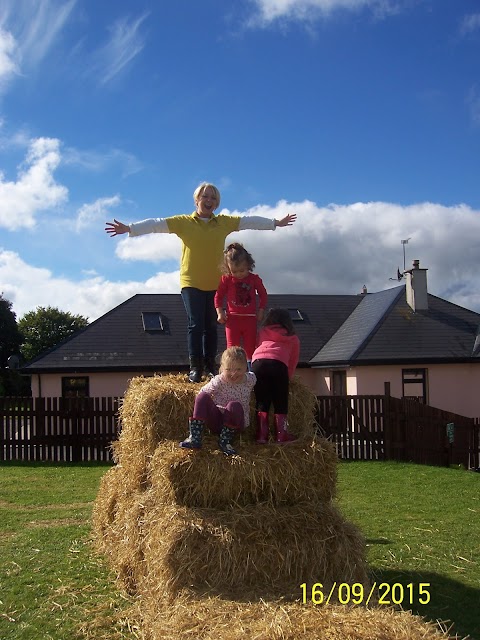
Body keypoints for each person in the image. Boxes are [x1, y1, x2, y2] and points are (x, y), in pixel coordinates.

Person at [105, 182, 296, 383]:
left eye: (213, 198)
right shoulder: (184, 222)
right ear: (197, 200)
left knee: (211, 326)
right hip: (191, 282)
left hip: (216, 284)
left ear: (217, 203)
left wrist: (275, 222)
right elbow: (156, 224)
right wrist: (129, 228)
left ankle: (210, 365)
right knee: (195, 324)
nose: (209, 201)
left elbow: (249, 221)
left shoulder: (223, 222)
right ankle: (195, 367)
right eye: (205, 197)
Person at [179, 346, 255, 456]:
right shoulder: (219, 381)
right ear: (222, 368)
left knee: (234, 405)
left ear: (245, 368)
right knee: (202, 396)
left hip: (235, 423)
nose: (233, 374)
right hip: (217, 421)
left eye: (238, 369)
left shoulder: (250, 380)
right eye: (229, 369)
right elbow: (202, 394)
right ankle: (195, 438)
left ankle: (225, 442)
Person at [251, 308, 300, 444]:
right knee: (280, 401)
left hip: (259, 364)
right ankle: (281, 434)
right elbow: (293, 361)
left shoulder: (262, 332)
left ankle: (262, 435)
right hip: (279, 364)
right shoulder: (293, 338)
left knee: (262, 400)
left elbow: (256, 346)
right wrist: (287, 379)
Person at [215, 243, 267, 368]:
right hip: (232, 320)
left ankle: (250, 373)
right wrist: (220, 312)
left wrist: (261, 310)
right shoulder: (226, 279)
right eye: (234, 271)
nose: (238, 274)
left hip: (249, 319)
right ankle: (231, 372)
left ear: (249, 265)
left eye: (242, 270)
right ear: (228, 268)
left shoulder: (254, 279)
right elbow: (218, 296)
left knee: (250, 347)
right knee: (232, 348)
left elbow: (263, 295)